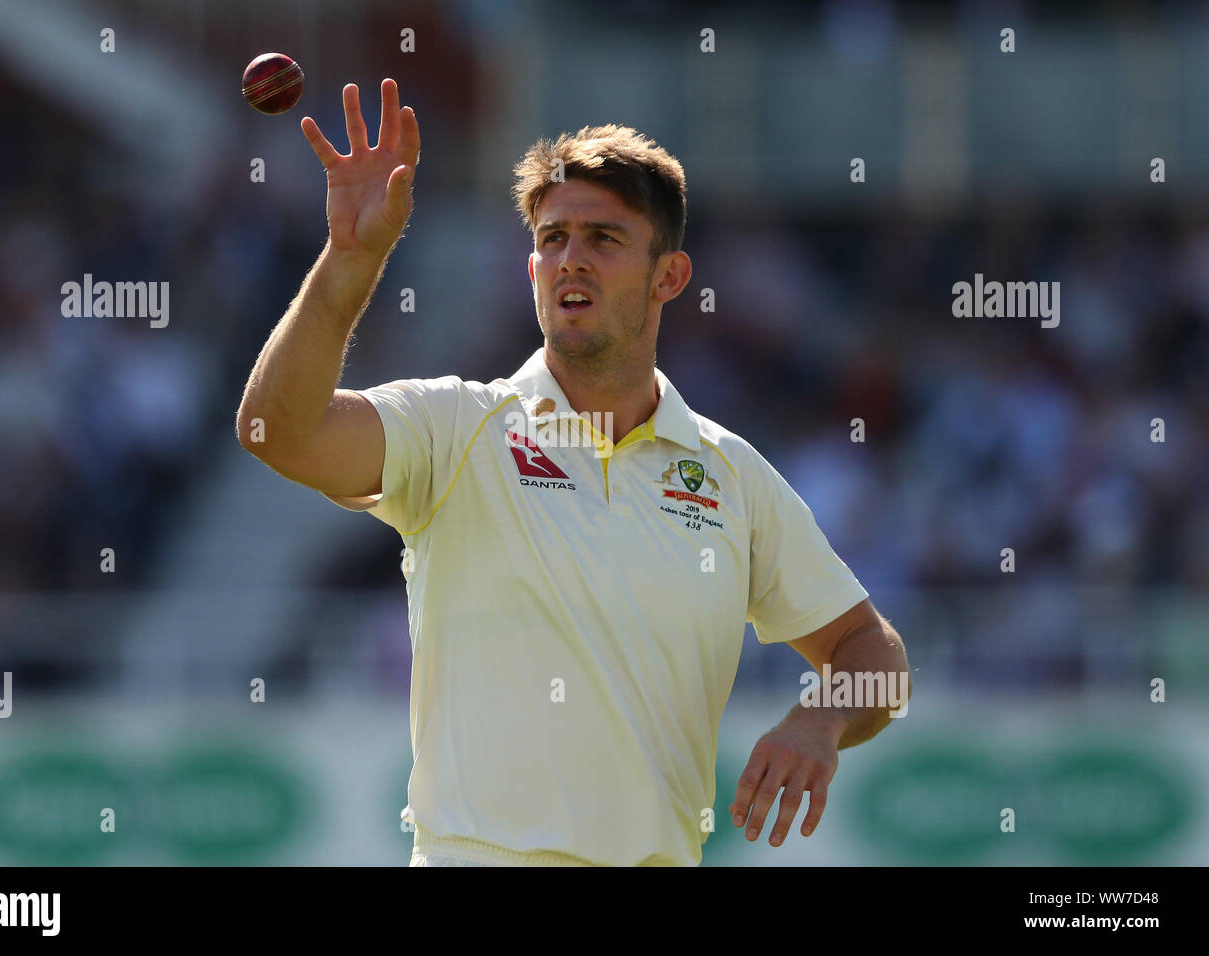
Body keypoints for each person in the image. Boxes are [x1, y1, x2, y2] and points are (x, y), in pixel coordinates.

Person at [237, 78, 911, 866]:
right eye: (552, 239)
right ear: (530, 272)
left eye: (604, 238)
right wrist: (350, 261)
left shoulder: (730, 476)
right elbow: (275, 431)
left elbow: (872, 649)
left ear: (669, 277)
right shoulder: (458, 427)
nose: (570, 261)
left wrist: (821, 719)